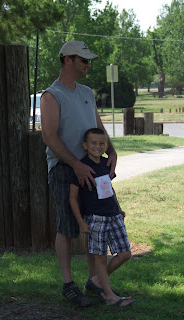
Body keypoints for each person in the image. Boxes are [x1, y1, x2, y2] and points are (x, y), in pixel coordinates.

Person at [40, 40, 117, 306]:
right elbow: (49, 137)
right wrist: (76, 164)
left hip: (92, 169)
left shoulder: (87, 92)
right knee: (67, 227)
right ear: (67, 60)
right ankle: (68, 285)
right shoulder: (51, 95)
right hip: (65, 169)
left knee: (95, 224)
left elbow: (97, 126)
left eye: (89, 60)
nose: (88, 65)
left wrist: (113, 151)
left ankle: (94, 280)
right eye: (84, 60)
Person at [69, 128, 133, 307]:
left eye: (102, 143)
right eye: (93, 143)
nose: (98, 146)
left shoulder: (106, 164)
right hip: (96, 220)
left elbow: (109, 190)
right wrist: (81, 222)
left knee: (125, 254)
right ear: (85, 145)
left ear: (106, 146)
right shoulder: (81, 168)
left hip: (114, 216)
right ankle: (109, 295)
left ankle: (96, 281)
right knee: (100, 258)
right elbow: (72, 197)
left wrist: (119, 210)